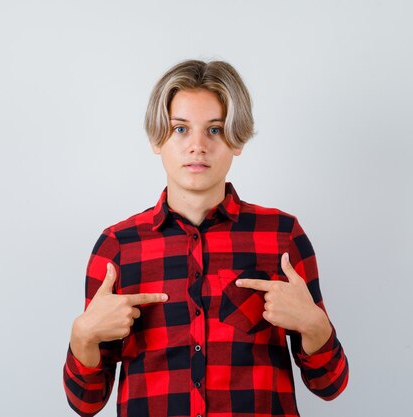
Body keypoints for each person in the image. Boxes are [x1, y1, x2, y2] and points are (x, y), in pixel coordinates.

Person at [63, 60, 349, 417]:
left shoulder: (282, 237)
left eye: (214, 130)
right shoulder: (118, 246)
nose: (197, 146)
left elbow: (330, 386)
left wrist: (314, 325)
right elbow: (86, 402)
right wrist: (83, 336)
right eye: (180, 129)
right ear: (157, 139)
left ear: (237, 139)